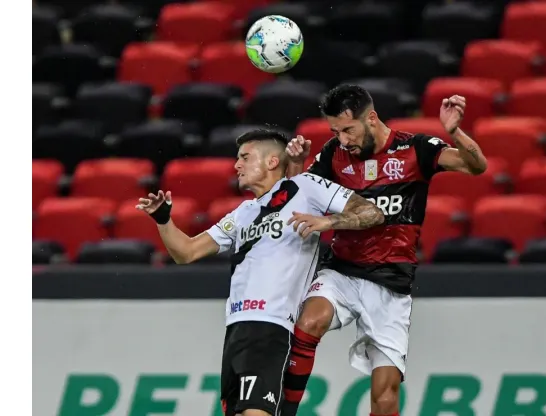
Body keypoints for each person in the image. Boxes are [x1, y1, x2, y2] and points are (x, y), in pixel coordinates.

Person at [134, 129, 384, 416]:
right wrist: (164, 220)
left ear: (272, 162)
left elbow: (371, 212)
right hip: (236, 329)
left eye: (245, 157)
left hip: (273, 326)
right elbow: (186, 252)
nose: (236, 165)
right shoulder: (243, 213)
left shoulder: (306, 188)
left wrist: (329, 223)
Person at [280, 85, 488, 416]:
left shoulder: (415, 148)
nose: (343, 139)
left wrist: (455, 133)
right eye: (336, 131)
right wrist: (294, 164)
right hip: (343, 272)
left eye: (348, 129)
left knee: (385, 398)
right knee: (310, 321)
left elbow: (476, 166)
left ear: (371, 118)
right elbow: (294, 198)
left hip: (392, 283)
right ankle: (284, 411)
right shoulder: (334, 154)